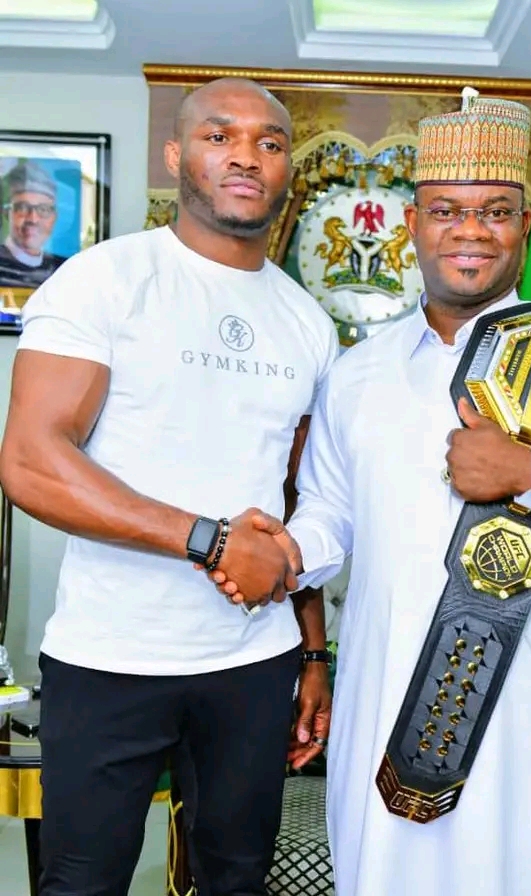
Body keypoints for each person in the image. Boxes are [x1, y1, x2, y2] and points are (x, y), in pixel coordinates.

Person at [213, 90, 531, 895]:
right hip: (384, 702)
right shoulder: (357, 374)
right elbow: (332, 513)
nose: (470, 230)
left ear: (523, 227)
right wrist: (282, 552)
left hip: (525, 708)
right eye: (446, 209)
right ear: (413, 224)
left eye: (496, 211)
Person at [0, 77, 338, 896]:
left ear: (286, 166)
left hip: (254, 660)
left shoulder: (308, 322)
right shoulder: (103, 280)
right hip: (111, 654)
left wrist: (315, 650)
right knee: (82, 881)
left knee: (235, 876)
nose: (246, 156)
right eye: (220, 136)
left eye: (269, 141)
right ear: (176, 154)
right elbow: (32, 460)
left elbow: (292, 497)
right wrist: (209, 540)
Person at [0, 160, 67, 288]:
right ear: (6, 213)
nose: (33, 219)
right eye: (23, 207)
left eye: (43, 209)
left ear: (54, 217)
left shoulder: (66, 269)